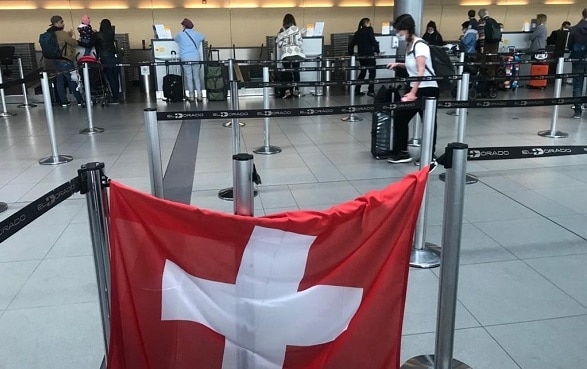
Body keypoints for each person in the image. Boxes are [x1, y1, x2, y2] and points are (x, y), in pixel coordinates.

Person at [385, 14, 439, 164]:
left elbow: (421, 71)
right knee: (401, 117)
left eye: (400, 31)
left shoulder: (420, 45)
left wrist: (413, 93)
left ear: (407, 30)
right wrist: (398, 64)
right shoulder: (409, 46)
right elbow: (414, 67)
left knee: (428, 122)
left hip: (427, 89)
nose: (398, 34)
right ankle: (402, 152)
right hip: (415, 86)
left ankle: (429, 155)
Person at [46, 15, 84, 107]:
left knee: (60, 81)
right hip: (66, 60)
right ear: (56, 23)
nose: (63, 24)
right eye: (61, 22)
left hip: (56, 60)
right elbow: (74, 43)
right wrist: (69, 35)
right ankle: (80, 100)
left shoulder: (49, 33)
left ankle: (64, 102)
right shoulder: (62, 33)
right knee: (72, 80)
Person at [174, 18, 205, 102]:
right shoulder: (197, 34)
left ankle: (191, 96)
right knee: (197, 77)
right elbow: (203, 37)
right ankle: (199, 95)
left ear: (184, 26)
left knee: (189, 77)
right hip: (195, 57)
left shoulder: (180, 34)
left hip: (185, 58)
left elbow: (175, 39)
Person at [348, 17, 379, 97]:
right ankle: (370, 90)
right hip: (369, 55)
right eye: (369, 23)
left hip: (361, 56)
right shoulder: (369, 30)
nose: (370, 24)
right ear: (367, 23)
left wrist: (351, 54)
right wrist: (377, 50)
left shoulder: (357, 32)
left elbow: (351, 45)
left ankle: (357, 90)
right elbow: (373, 41)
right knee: (372, 73)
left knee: (362, 72)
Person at [276, 13, 305, 98]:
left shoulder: (282, 31)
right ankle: (296, 91)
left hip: (286, 55)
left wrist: (285, 44)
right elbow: (300, 42)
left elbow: (279, 44)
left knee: (287, 72)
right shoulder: (297, 30)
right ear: (293, 21)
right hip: (296, 54)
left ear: (284, 21)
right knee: (296, 72)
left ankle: (287, 91)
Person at [94, 18, 121, 104]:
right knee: (115, 78)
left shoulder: (98, 35)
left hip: (105, 58)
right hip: (114, 57)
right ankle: (117, 96)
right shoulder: (111, 33)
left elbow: (93, 42)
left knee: (110, 78)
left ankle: (115, 98)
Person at [568, 8, 587, 119]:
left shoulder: (575, 29)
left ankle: (577, 111)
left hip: (578, 59)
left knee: (577, 85)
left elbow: (570, 45)